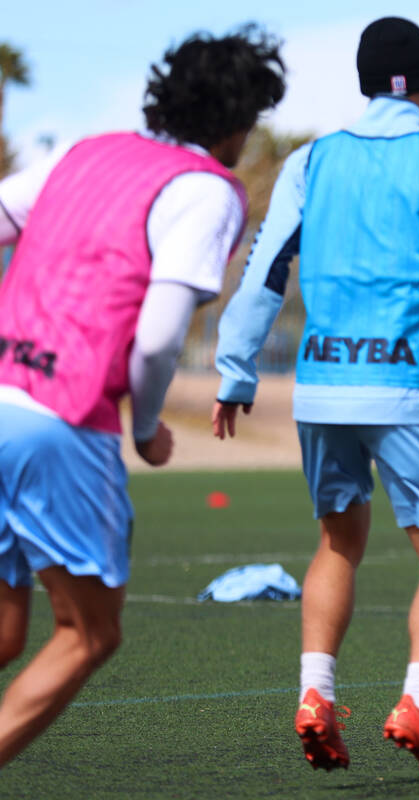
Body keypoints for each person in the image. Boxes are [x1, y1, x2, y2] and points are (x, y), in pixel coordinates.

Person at [210, 16, 419, 787]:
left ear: (362, 82)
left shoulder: (310, 162)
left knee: (337, 543)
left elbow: (263, 274)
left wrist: (235, 371)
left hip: (321, 388)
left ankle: (315, 695)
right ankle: (416, 702)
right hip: (407, 391)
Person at [0, 26, 285, 767]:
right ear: (238, 124)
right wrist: (148, 427)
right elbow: (158, 340)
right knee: (89, 634)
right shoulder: (205, 192)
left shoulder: (84, 152)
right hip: (58, 420)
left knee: (5, 632)